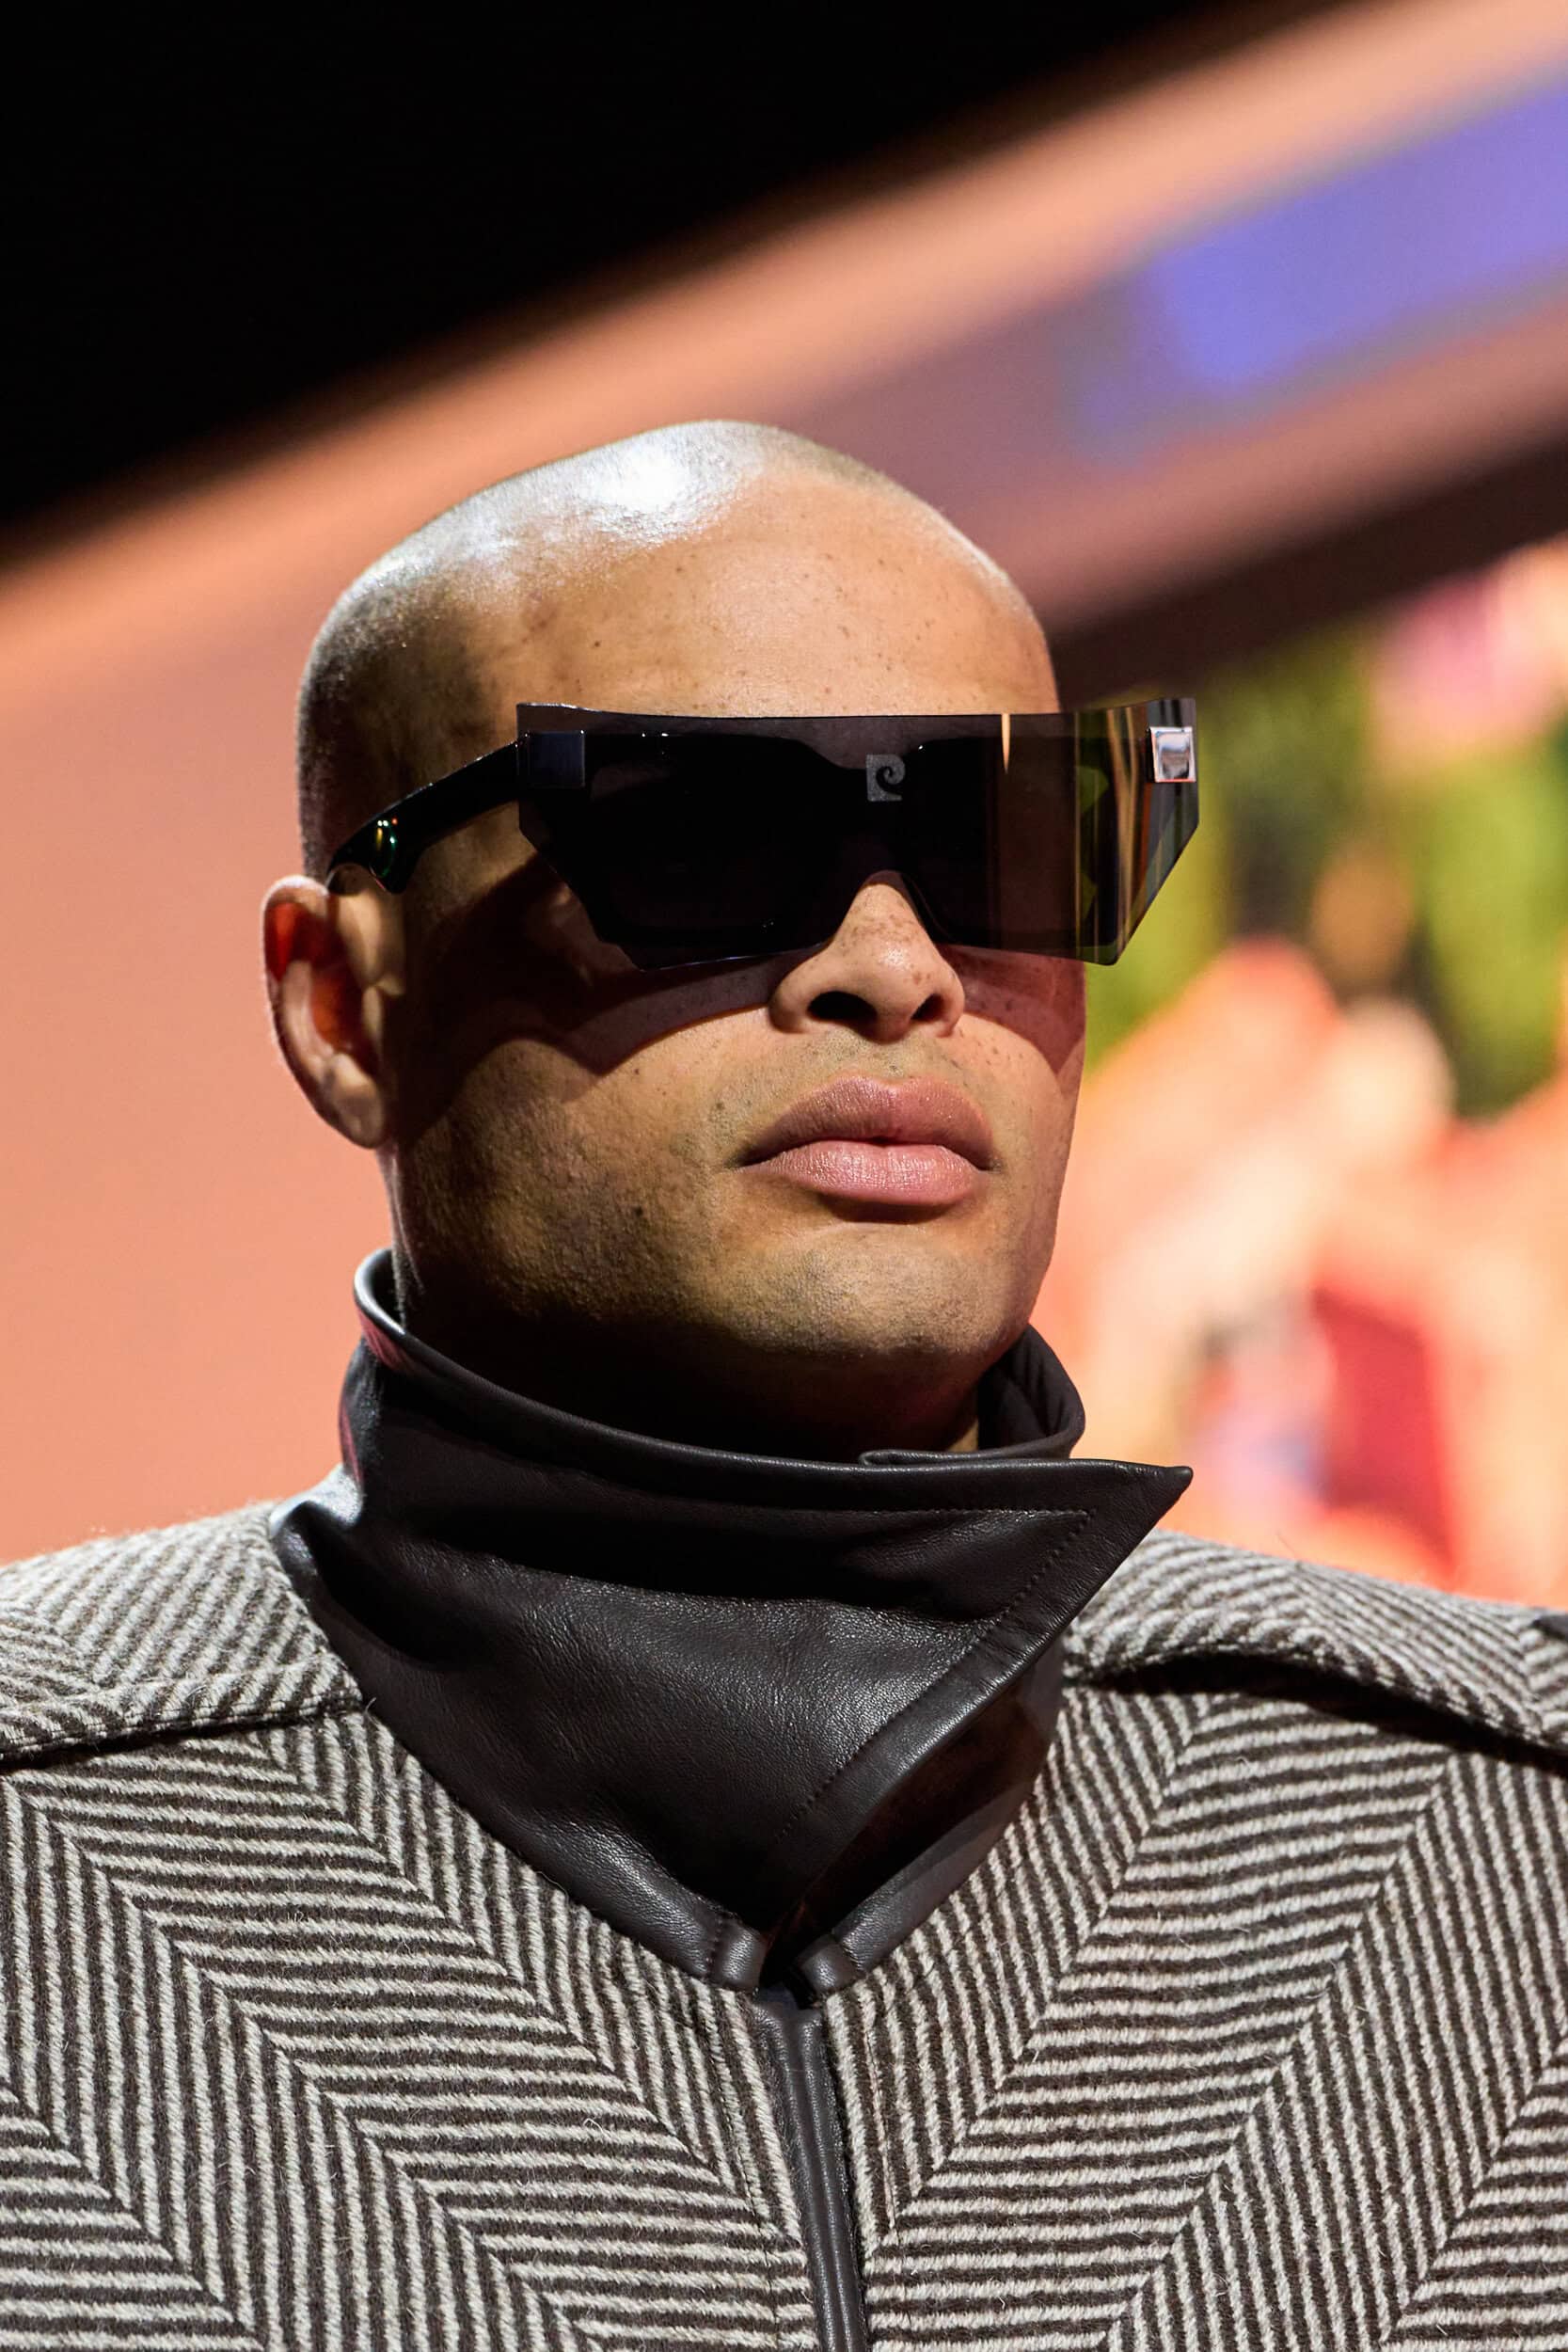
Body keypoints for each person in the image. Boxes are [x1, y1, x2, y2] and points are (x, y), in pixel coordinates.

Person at [2, 421, 1563, 2352]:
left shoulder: (1510, 1842)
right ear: (344, 1003)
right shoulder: (41, 1854)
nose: (897, 967)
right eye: (700, 839)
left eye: (1000, 842)